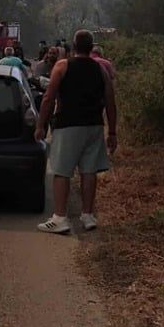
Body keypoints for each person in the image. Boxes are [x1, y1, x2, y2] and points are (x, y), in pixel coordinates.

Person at [35, 29, 117, 234]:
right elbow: (110, 101)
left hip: (68, 125)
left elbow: (49, 97)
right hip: (94, 126)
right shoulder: (101, 70)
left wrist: (40, 125)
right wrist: (112, 132)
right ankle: (87, 215)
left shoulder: (63, 66)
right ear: (91, 47)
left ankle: (60, 217)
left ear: (72, 46)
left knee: (62, 171)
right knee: (89, 171)